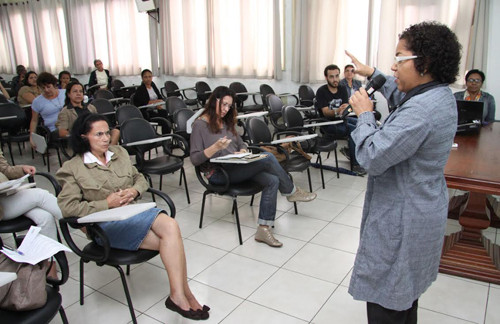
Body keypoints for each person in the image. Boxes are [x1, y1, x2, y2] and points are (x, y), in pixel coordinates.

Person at [345, 21, 461, 323]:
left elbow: (371, 156)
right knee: (405, 301)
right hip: (420, 210)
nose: (393, 68)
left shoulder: (421, 111)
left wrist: (365, 114)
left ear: (425, 62)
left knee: (389, 300)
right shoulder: (438, 95)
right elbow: (400, 95)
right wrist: (373, 74)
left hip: (402, 221)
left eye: (399, 59)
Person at [56, 113, 209, 320]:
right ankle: (183, 294)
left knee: (171, 226)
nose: (105, 138)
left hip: (134, 212)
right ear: (84, 137)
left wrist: (134, 192)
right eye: (98, 134)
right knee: (171, 240)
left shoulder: (118, 152)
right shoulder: (72, 168)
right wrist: (106, 203)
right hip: (105, 226)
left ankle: (180, 294)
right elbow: (68, 208)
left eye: (107, 133)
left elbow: (140, 178)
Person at [190, 86, 317, 247]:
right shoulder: (200, 125)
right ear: (214, 100)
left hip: (235, 167)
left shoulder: (226, 121)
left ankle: (263, 229)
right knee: (268, 158)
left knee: (272, 180)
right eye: (223, 104)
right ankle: (291, 191)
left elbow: (241, 142)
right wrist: (215, 148)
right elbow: (194, 159)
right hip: (218, 174)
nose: (226, 109)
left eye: (229, 106)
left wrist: (243, 150)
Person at [0, 149, 62, 278]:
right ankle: (81, 224)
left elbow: (5, 169)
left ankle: (50, 267)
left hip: (7, 195)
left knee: (45, 217)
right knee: (40, 195)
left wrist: (22, 169)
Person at [315, 64, 365, 175]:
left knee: (362, 123)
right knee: (353, 131)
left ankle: (353, 151)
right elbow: (325, 112)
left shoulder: (342, 89)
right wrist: (338, 110)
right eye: (331, 77)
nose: (335, 79)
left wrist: (346, 108)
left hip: (341, 119)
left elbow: (346, 106)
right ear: (326, 77)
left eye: (337, 76)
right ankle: (355, 164)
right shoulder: (321, 91)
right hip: (328, 123)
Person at [29, 72, 66, 149]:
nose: (46, 90)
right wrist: (32, 137)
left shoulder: (65, 93)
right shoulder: (37, 101)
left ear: (54, 85)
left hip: (70, 123)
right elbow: (34, 121)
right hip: (54, 130)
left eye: (48, 87)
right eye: (43, 88)